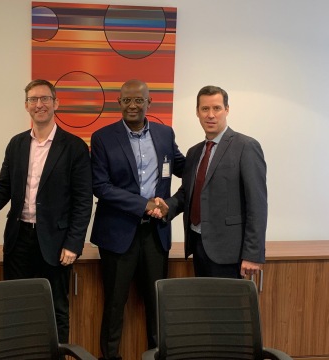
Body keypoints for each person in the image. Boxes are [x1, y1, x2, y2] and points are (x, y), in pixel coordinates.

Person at [0, 79, 93, 344]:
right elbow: (2, 189)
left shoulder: (74, 147)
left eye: (44, 99)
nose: (39, 104)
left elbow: (83, 200)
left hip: (56, 242)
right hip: (19, 240)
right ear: (26, 105)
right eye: (33, 100)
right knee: (17, 307)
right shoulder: (16, 144)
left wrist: (74, 243)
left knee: (56, 308)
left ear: (55, 103)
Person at [90, 79, 185, 360]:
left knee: (157, 305)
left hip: (155, 234)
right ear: (119, 103)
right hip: (118, 235)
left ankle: (157, 356)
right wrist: (144, 205)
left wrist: (171, 204)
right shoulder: (103, 137)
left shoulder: (165, 134)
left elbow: (184, 169)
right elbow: (101, 186)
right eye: (127, 100)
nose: (133, 105)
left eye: (139, 100)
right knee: (115, 305)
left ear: (149, 103)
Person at [167, 85, 267, 278]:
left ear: (227, 110)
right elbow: (188, 192)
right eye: (205, 109)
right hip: (198, 245)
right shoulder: (194, 152)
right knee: (205, 306)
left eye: (217, 108)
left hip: (230, 253)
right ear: (197, 112)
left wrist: (253, 254)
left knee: (228, 308)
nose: (210, 115)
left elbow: (257, 204)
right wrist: (166, 208)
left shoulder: (246, 147)